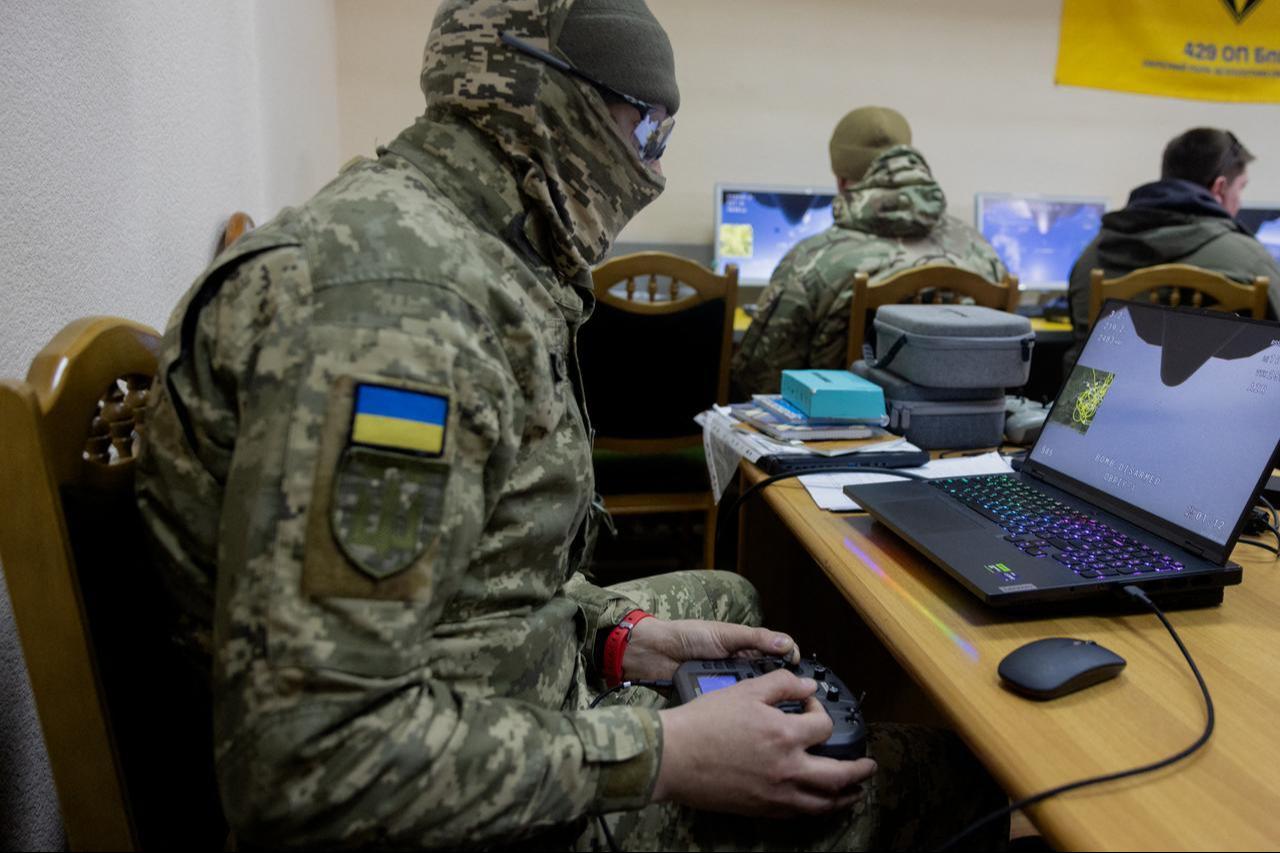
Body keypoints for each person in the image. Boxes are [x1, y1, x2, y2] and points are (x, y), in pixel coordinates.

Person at [135, 1, 1008, 849]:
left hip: (488, 700)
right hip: (475, 812)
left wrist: (615, 637)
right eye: (647, 131)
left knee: (734, 605)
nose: (651, 167)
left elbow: (480, 582)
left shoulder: (452, 243)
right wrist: (666, 752)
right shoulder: (400, 319)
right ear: (555, 101)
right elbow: (311, 762)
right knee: (960, 776)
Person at [731, 107, 1008, 397]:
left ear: (841, 179)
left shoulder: (809, 262)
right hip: (976, 422)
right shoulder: (979, 249)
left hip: (844, 424)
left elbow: (761, 379)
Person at [1065, 127, 1280, 370]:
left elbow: (1079, 335)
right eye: (1240, 188)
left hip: (1095, 393)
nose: (1240, 201)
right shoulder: (1251, 261)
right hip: (1213, 395)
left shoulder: (1092, 255)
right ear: (1220, 187)